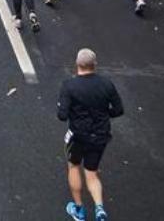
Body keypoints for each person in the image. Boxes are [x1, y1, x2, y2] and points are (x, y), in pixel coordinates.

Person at [58, 48, 124, 221]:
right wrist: (103, 115)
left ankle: (79, 210)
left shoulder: (69, 86)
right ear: (95, 65)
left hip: (78, 135)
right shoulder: (107, 84)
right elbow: (118, 110)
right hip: (100, 134)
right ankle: (99, 209)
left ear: (77, 64)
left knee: (73, 166)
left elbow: (62, 115)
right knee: (91, 172)